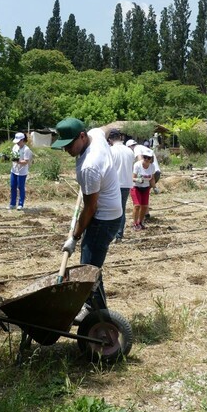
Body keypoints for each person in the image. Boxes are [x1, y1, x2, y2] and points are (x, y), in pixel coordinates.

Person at [52, 118, 122, 316]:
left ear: (82, 136)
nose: (66, 150)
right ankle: (94, 308)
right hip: (111, 212)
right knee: (91, 265)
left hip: (103, 218)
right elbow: (105, 128)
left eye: (68, 145)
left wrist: (73, 237)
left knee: (89, 268)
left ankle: (97, 314)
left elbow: (90, 208)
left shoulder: (89, 167)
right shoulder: (96, 135)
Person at [108, 129, 135, 243]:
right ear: (121, 138)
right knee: (121, 210)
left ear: (110, 139)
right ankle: (119, 235)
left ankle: (111, 234)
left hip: (114, 184)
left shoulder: (110, 150)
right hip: (126, 184)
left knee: (110, 210)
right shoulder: (129, 151)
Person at [131, 153, 158, 230]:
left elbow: (152, 178)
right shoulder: (137, 165)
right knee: (137, 205)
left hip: (145, 188)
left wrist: (154, 187)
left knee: (144, 206)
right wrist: (137, 180)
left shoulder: (152, 166)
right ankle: (135, 223)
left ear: (151, 159)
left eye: (148, 158)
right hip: (136, 187)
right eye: (144, 157)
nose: (146, 159)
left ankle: (140, 222)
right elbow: (132, 178)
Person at [9, 132, 33, 210]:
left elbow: (26, 161)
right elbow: (12, 156)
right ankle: (12, 203)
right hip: (14, 170)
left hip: (22, 172)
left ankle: (20, 203)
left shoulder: (26, 149)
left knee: (20, 187)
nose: (17, 143)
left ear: (22, 140)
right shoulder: (15, 147)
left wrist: (18, 161)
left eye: (19, 141)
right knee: (13, 186)